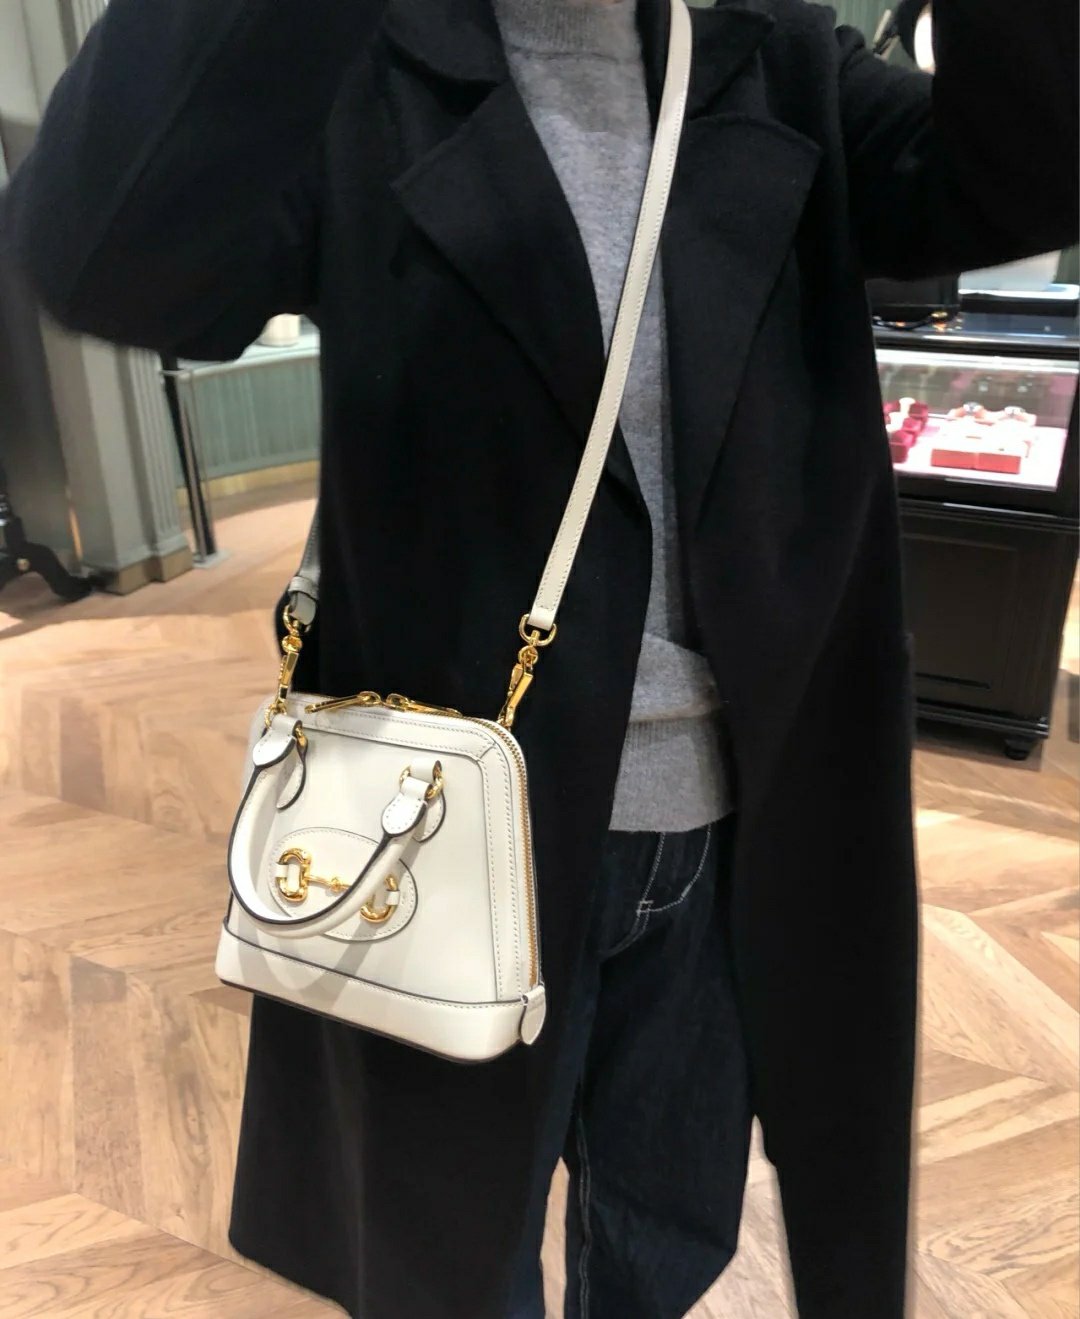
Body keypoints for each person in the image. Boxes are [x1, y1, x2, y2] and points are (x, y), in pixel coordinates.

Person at [2, 0, 1075, 1315]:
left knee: (668, 1227)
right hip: (444, 828)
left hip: (743, 816)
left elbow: (1028, 172)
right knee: (445, 1250)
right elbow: (109, 259)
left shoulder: (775, 62)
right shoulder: (367, 65)